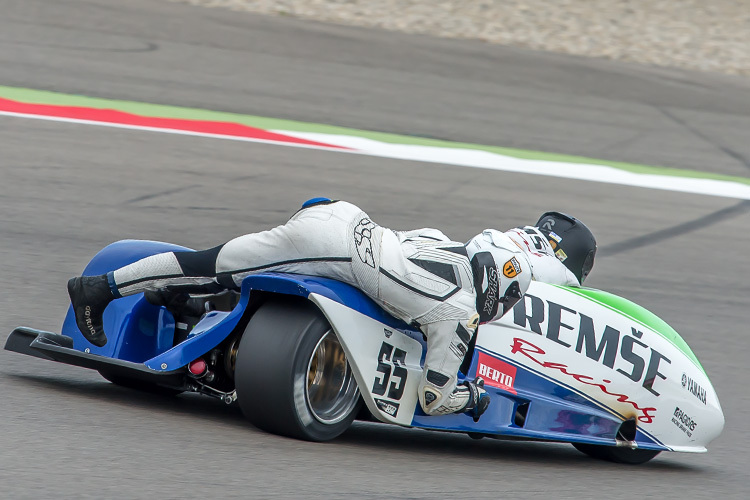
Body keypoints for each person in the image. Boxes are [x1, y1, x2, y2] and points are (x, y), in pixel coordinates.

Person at [68, 198, 596, 420]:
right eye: (507, 298)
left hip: (341, 219)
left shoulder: (450, 246)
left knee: (210, 261)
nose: (505, 305)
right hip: (339, 246)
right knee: (220, 266)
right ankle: (180, 300)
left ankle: (101, 288)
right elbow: (435, 399)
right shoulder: (457, 315)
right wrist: (473, 395)